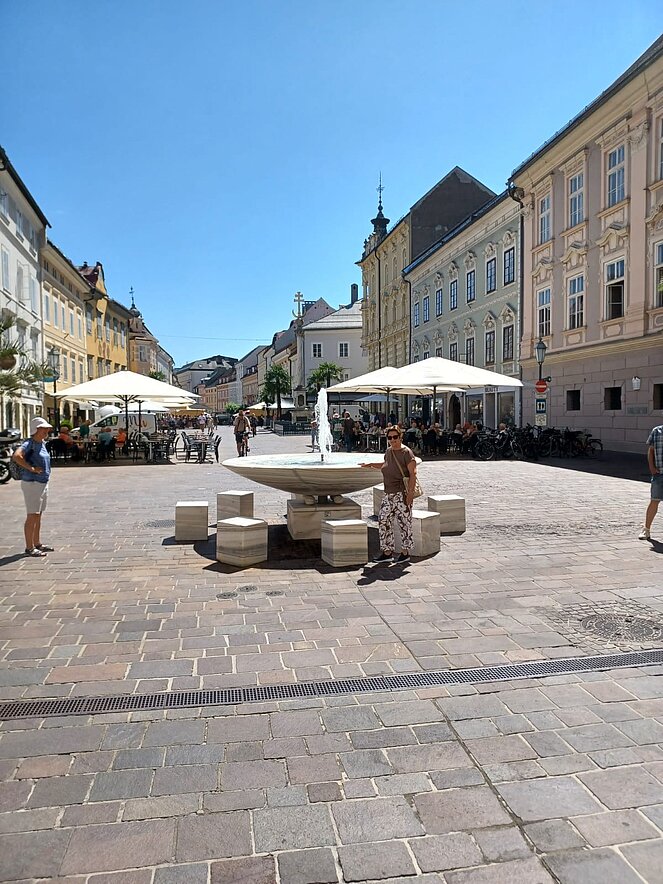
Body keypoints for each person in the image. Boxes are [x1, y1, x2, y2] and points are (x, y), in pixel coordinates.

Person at [360, 425, 417, 564]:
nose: (393, 440)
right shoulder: (389, 451)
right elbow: (386, 464)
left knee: (404, 523)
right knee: (383, 520)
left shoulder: (406, 453)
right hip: (388, 494)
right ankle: (387, 552)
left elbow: (413, 474)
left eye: (395, 437)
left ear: (400, 437)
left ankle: (405, 552)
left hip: (401, 494)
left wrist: (409, 495)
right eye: (390, 437)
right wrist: (371, 464)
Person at [12, 417, 54, 557]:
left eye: (47, 428)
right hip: (32, 483)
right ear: (36, 430)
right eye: (44, 428)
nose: (47, 430)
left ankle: (37, 543)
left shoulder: (41, 443)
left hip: (42, 483)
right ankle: (29, 547)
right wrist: (31, 468)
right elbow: (17, 456)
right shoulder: (29, 443)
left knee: (38, 515)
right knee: (32, 515)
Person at [639, 424, 663, 541]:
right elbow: (651, 450)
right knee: (654, 501)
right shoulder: (657, 431)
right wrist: (652, 468)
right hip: (659, 473)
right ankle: (646, 530)